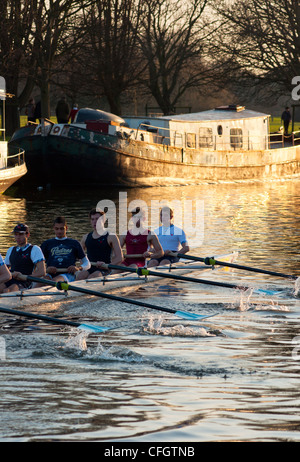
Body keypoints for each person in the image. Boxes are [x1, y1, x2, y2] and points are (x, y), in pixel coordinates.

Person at [40, 216, 90, 284]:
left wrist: (78, 268)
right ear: (53, 229)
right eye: (57, 229)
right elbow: (36, 266)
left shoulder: (74, 243)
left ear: (66, 228)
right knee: (39, 283)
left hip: (68, 275)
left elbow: (87, 263)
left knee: (54, 282)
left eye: (61, 229)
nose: (59, 231)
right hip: (50, 274)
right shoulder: (46, 244)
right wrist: (46, 269)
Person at [76, 208, 123, 280]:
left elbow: (119, 258)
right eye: (92, 219)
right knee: (80, 276)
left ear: (103, 220)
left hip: (105, 269)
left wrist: (108, 266)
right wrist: (85, 265)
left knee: (92, 277)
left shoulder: (111, 236)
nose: (95, 222)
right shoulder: (85, 237)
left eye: (97, 219)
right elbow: (80, 256)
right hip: (90, 267)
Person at [0, 224, 46, 293]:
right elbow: (5, 270)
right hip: (11, 279)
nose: (18, 237)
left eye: (21, 234)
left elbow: (42, 272)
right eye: (16, 234)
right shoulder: (11, 249)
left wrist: (23, 276)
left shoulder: (34, 249)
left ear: (27, 235)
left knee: (7, 291)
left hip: (26, 282)